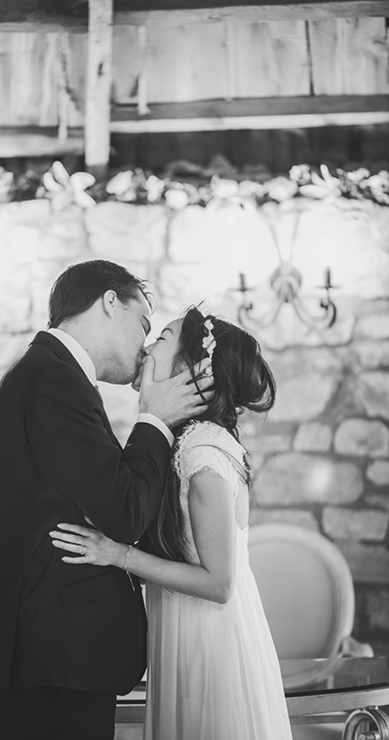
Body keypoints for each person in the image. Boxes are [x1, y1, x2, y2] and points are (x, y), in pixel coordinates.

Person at [0, 261, 213, 740]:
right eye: (144, 324)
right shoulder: (55, 379)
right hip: (55, 660)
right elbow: (124, 513)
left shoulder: (41, 372)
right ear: (109, 302)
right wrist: (154, 420)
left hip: (46, 655)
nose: (145, 344)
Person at [50, 306, 294, 740]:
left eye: (161, 337)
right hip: (179, 626)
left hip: (210, 639)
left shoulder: (203, 451)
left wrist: (116, 554)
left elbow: (219, 584)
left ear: (192, 368)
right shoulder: (174, 437)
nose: (145, 348)